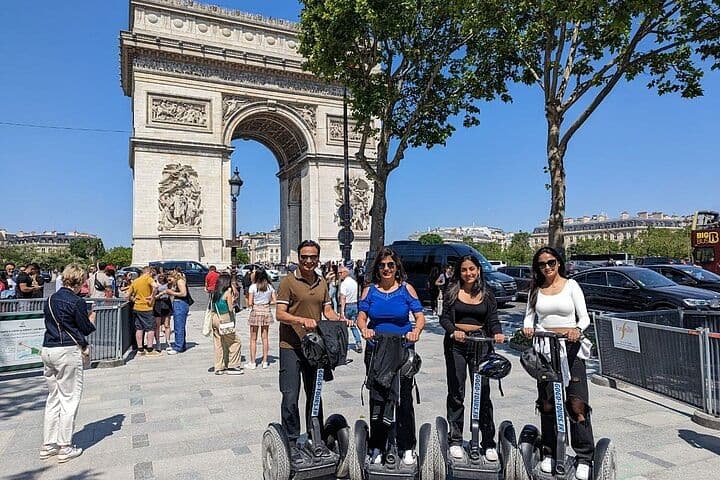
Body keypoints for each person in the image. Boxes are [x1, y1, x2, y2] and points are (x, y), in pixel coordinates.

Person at [523, 246, 594, 480]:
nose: (547, 268)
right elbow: (529, 317)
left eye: (551, 262)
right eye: (542, 264)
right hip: (545, 350)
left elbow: (584, 317)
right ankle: (550, 452)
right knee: (547, 403)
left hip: (570, 349)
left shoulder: (571, 286)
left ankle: (583, 456)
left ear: (559, 263)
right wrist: (528, 328)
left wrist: (576, 329)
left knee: (576, 404)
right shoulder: (536, 290)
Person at [357, 247, 426, 465]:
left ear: (397, 268)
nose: (386, 269)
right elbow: (361, 317)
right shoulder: (370, 291)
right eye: (382, 265)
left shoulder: (407, 289)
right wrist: (364, 330)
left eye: (390, 265)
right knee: (378, 397)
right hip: (378, 349)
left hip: (403, 349)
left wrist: (416, 331)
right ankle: (377, 444)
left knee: (403, 398)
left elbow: (420, 317)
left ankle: (407, 445)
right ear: (377, 268)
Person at [439, 255, 505, 461]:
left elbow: (492, 319)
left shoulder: (487, 294)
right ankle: (456, 439)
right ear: (460, 272)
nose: (468, 273)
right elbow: (445, 318)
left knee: (483, 393)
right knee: (457, 391)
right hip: (456, 345)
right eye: (464, 270)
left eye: (472, 269)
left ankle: (487, 441)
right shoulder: (452, 292)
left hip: (481, 344)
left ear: (478, 270)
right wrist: (453, 331)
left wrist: (497, 332)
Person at [275, 240, 340, 443]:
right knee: (290, 396)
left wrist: (340, 319)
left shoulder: (322, 283)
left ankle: (315, 435)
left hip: (315, 347)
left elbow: (327, 310)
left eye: (312, 257)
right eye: (304, 257)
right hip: (291, 346)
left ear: (318, 258)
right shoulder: (288, 282)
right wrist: (301, 320)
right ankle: (292, 439)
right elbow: (279, 314)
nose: (308, 261)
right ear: (299, 258)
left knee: (315, 395)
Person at [39, 263, 96, 463]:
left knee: (53, 398)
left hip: (48, 349)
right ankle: (65, 446)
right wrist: (91, 318)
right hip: (66, 351)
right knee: (69, 398)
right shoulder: (77, 301)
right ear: (80, 281)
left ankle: (48, 445)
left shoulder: (50, 298)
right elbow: (85, 328)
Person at [209, 273, 243, 375]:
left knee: (219, 344)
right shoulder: (228, 292)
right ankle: (233, 366)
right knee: (235, 341)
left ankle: (219, 367)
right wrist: (233, 301)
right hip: (225, 318)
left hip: (215, 317)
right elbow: (230, 307)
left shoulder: (215, 292)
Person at [245, 268, 276, 369]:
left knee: (253, 338)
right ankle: (265, 361)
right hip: (266, 311)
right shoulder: (269, 287)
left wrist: (255, 304)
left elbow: (250, 303)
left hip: (255, 311)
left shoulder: (253, 287)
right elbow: (274, 301)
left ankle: (253, 362)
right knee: (265, 338)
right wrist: (266, 303)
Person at [129, 267, 162, 357]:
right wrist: (152, 296)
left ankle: (140, 349)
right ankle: (150, 349)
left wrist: (133, 299)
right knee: (151, 328)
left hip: (136, 307)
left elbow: (128, 295)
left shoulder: (135, 281)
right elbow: (156, 286)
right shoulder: (148, 278)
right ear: (149, 272)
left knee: (139, 328)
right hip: (147, 307)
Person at [165, 271, 190, 354]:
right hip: (178, 303)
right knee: (179, 326)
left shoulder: (180, 281)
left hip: (180, 304)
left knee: (179, 326)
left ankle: (178, 347)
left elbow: (183, 293)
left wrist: (172, 293)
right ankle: (181, 345)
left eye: (169, 279)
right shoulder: (177, 282)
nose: (169, 280)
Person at [339, 265, 362, 353]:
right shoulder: (354, 282)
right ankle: (358, 342)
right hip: (355, 305)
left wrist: (342, 312)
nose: (339, 275)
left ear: (345, 273)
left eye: (340, 273)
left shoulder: (344, 284)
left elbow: (343, 298)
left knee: (344, 327)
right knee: (353, 326)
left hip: (347, 306)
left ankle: (343, 344)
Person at [152, 273, 173, 352]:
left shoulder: (168, 283)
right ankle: (158, 342)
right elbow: (153, 295)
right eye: (159, 275)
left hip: (166, 303)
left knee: (167, 324)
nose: (161, 276)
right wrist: (160, 293)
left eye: (163, 275)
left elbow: (172, 287)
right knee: (157, 325)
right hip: (157, 303)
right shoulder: (154, 282)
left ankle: (168, 341)